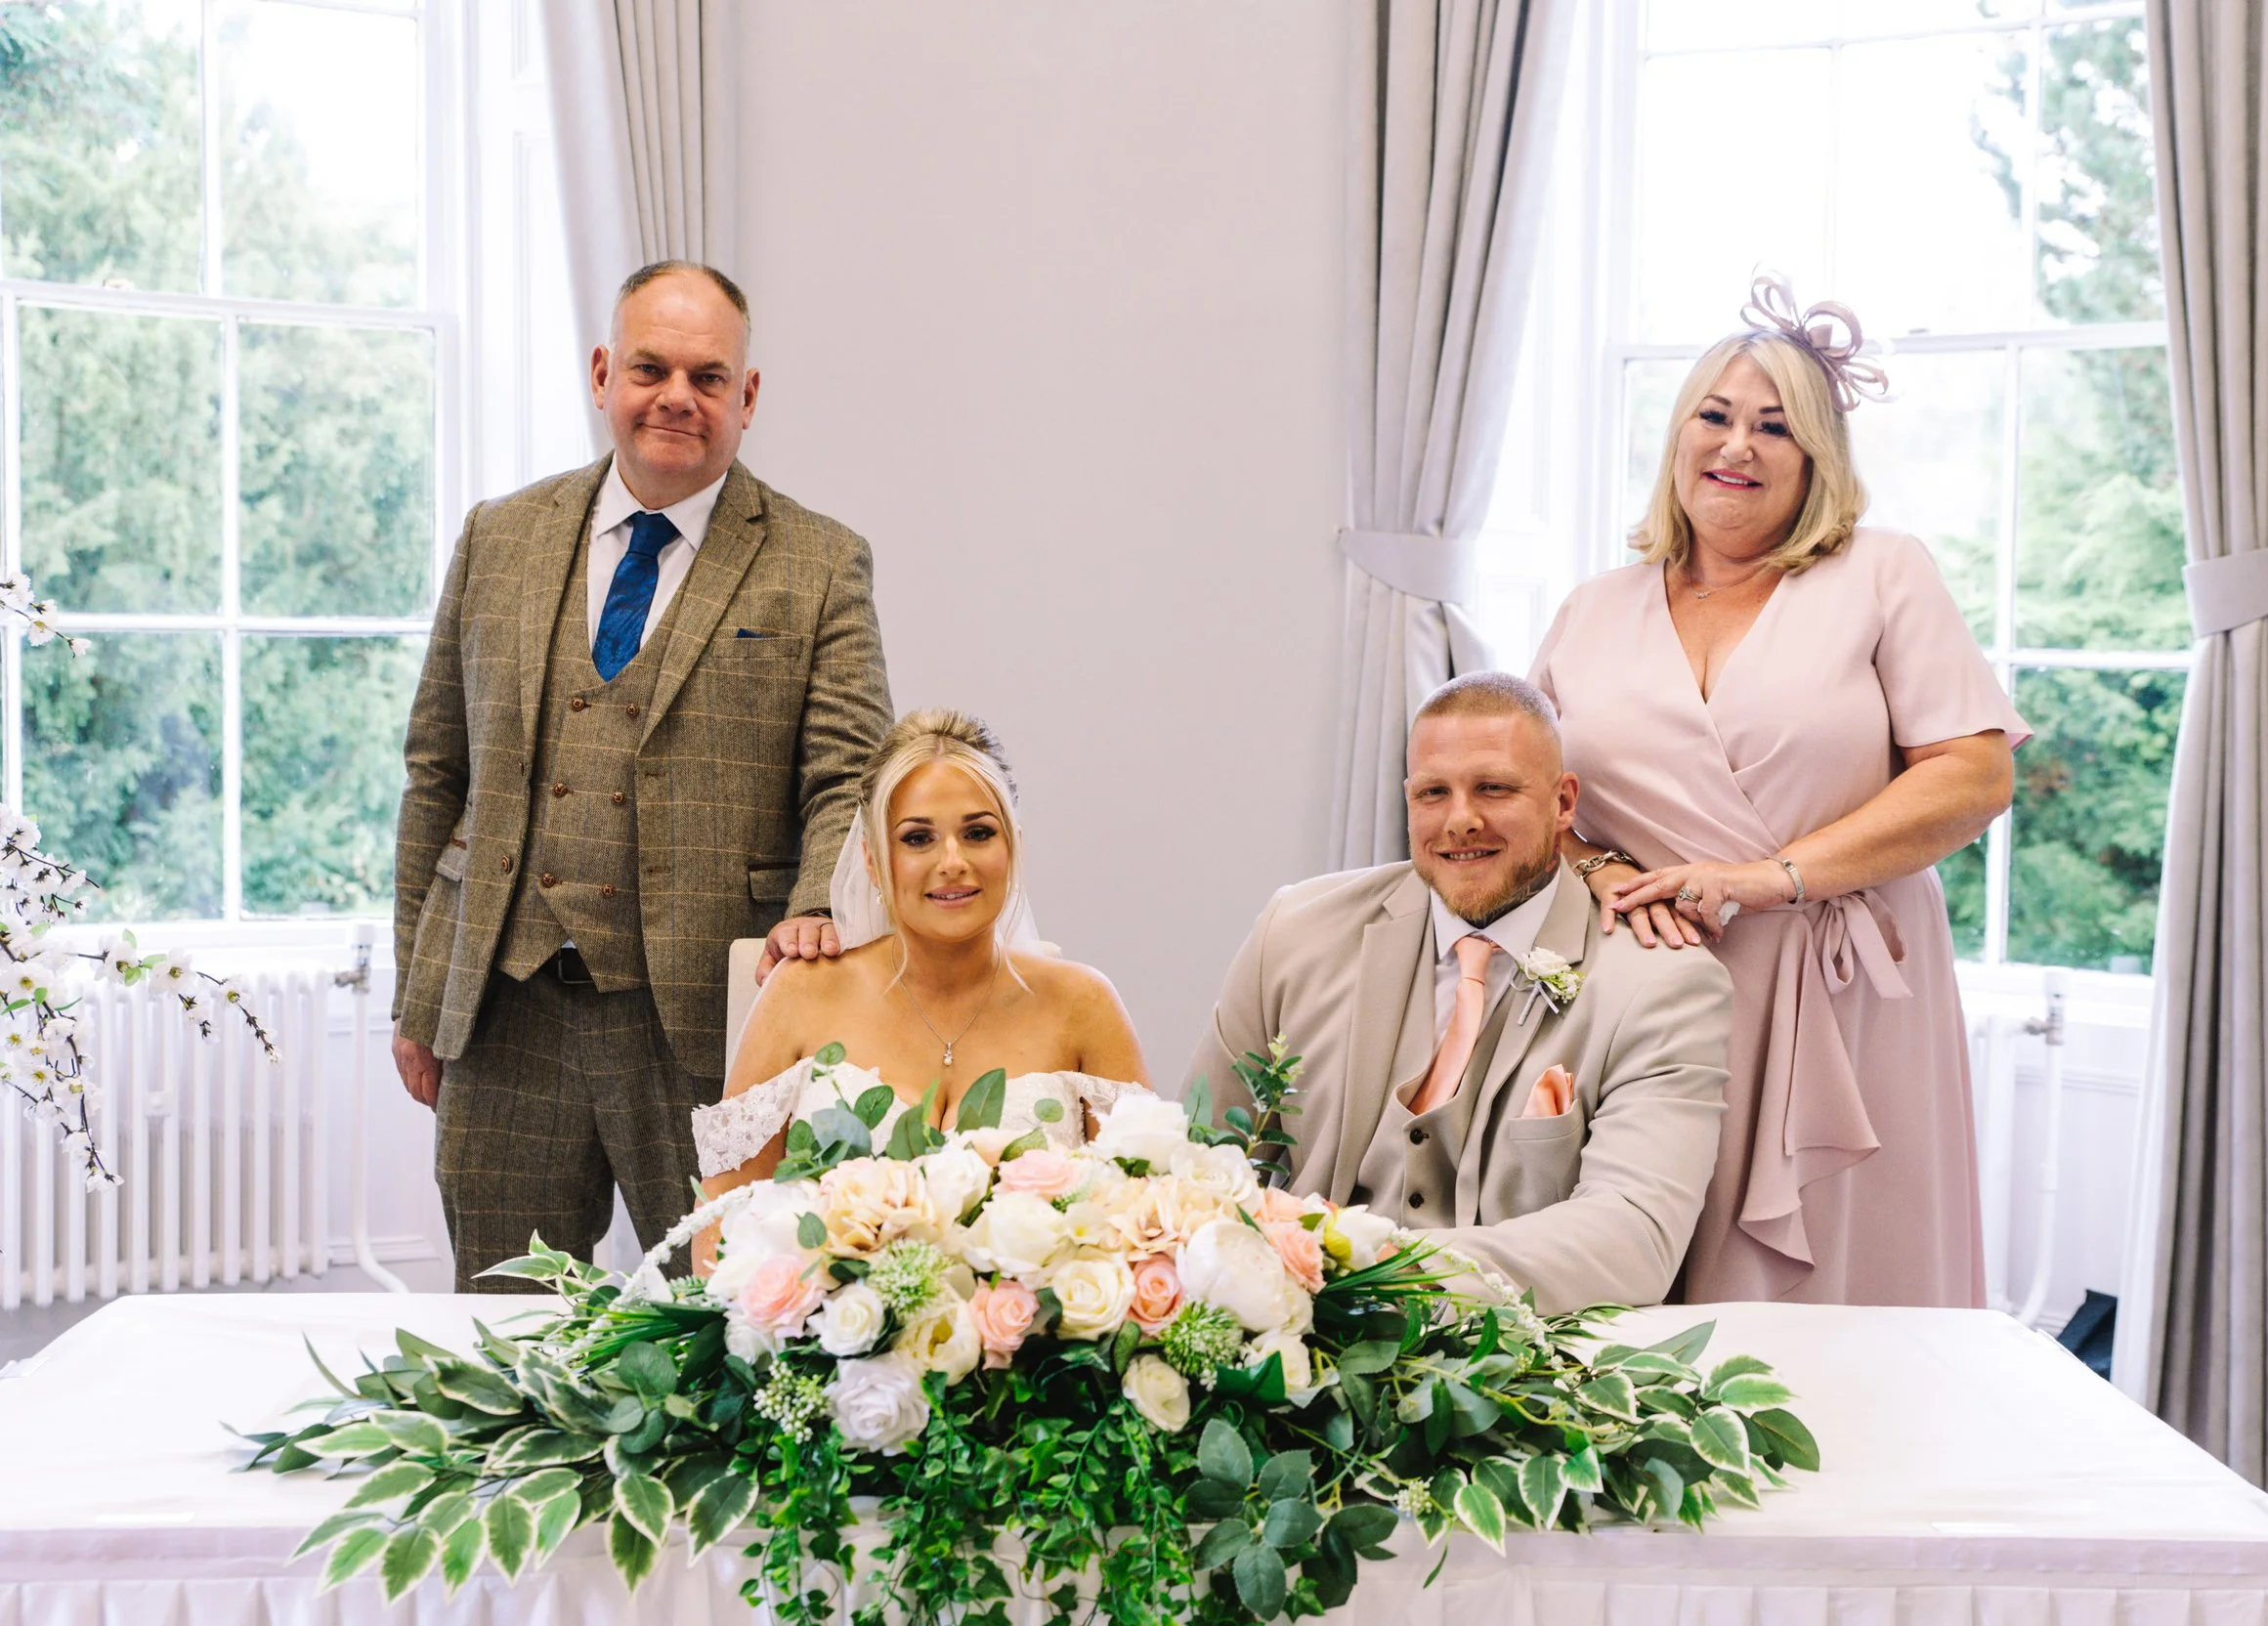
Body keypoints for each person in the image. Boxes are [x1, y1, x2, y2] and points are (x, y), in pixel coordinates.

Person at [392, 260, 894, 1291]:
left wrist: (815, 908)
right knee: (504, 1322)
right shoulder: (498, 536)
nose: (677, 397)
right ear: (602, 374)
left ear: (747, 397)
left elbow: (850, 775)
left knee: (732, 1315)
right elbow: (437, 769)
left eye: (708, 378)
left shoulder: (819, 562)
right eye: (650, 369)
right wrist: (418, 992)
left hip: (707, 1026)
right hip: (505, 1014)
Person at [1531, 276, 2028, 1306]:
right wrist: (1602, 869)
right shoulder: (1591, 608)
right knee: (1641, 1265)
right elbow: (1534, 801)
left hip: (1842, 994)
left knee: (1848, 1288)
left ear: (1816, 459)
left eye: (1775, 426)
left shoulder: (1882, 574)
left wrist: (1772, 877)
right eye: (1715, 416)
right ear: (1678, 437)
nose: (1738, 445)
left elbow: (1975, 773)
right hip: (1652, 989)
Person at [1182, 673, 1733, 1313]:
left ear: (1563, 803)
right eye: (1433, 793)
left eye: (1493, 788)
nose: (1461, 820)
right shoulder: (1296, 933)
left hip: (1523, 1356)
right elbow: (1197, 1166)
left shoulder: (1663, 984)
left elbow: (1632, 1238)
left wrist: (1361, 1268)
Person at [690, 708, 1149, 1274]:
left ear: (1013, 846)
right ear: (872, 860)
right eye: (918, 838)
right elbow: (721, 1224)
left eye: (978, 833)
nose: (952, 862)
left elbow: (1141, 1225)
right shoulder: (800, 991)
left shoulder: (1086, 1004)